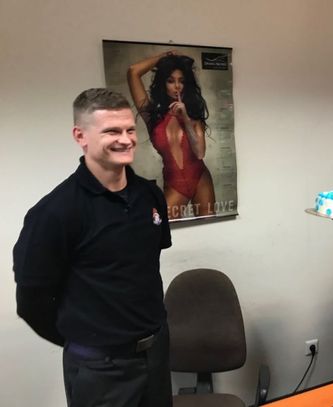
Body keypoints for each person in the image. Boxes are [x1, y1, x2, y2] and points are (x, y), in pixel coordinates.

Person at [13, 88, 173, 407]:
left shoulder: (150, 196)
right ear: (80, 136)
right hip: (101, 369)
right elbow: (31, 303)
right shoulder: (55, 212)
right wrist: (87, 343)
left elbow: (142, 270)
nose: (125, 140)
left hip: (155, 354)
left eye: (130, 130)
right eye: (112, 131)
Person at [127, 51, 215, 220]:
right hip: (175, 184)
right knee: (158, 227)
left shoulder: (193, 116)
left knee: (212, 228)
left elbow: (199, 153)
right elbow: (133, 71)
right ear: (163, 83)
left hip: (201, 178)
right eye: (170, 81)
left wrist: (186, 119)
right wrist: (164, 56)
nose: (177, 86)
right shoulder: (152, 116)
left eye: (181, 81)